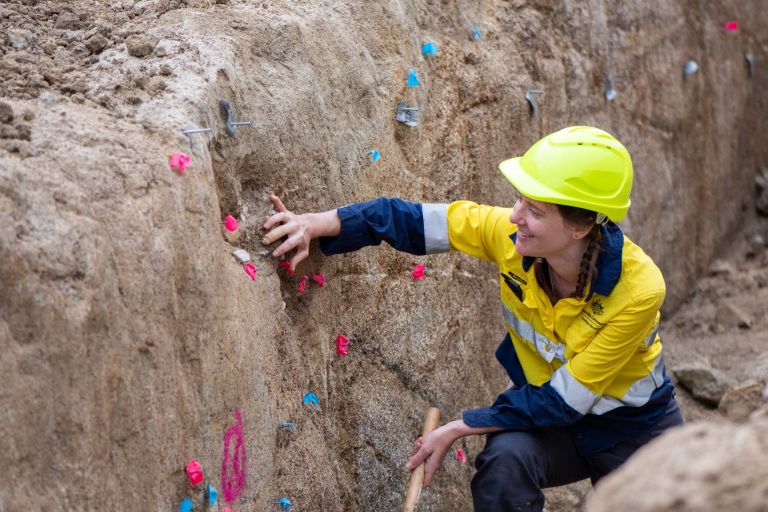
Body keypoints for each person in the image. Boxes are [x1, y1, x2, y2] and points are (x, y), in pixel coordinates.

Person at [261, 126, 683, 511]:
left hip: (633, 428)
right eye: (519, 199)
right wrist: (320, 223)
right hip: (547, 422)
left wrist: (460, 427)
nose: (515, 215)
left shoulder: (640, 290)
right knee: (504, 463)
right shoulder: (513, 238)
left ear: (580, 226)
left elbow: (564, 400)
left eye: (533, 209)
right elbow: (412, 220)